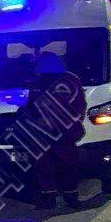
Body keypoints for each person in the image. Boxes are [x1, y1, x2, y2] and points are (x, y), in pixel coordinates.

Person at [21, 52, 87, 208]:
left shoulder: (41, 82)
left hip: (51, 131)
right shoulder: (69, 80)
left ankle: (54, 198)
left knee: (50, 164)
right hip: (60, 130)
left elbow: (32, 106)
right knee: (61, 163)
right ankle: (67, 197)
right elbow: (80, 105)